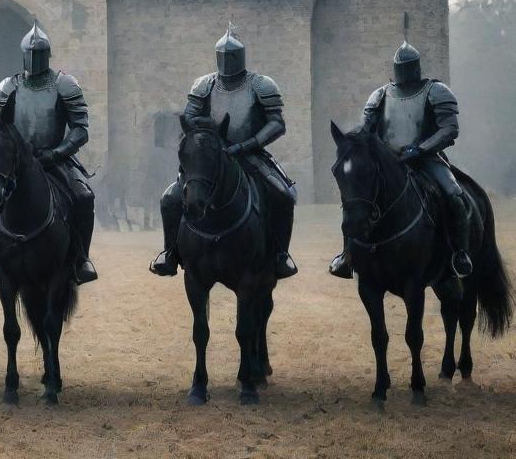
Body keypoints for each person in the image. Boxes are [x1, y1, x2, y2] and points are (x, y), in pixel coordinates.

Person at [151, 25, 298, 279]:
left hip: (249, 153)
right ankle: (170, 253)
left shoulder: (260, 85)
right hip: (209, 157)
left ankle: (280, 255)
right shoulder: (204, 85)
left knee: (283, 195)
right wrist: (206, 142)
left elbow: (276, 123)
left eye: (231, 56)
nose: (227, 61)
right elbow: (190, 118)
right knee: (170, 199)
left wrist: (245, 145)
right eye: (222, 56)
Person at [0, 20, 98, 285]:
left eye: (40, 54)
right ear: (23, 55)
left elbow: (80, 129)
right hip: (15, 163)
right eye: (31, 54)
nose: (35, 59)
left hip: (54, 159)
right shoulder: (8, 86)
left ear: (47, 55)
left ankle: (81, 258)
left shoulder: (64, 84)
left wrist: (56, 153)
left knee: (83, 196)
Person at [329, 38, 471, 279]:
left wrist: (422, 149)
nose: (404, 72)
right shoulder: (380, 95)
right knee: (357, 199)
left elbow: (449, 129)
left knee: (455, 195)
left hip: (427, 159)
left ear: (416, 67)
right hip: (387, 162)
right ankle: (348, 254)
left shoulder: (436, 91)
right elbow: (367, 131)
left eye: (408, 67)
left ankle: (459, 252)